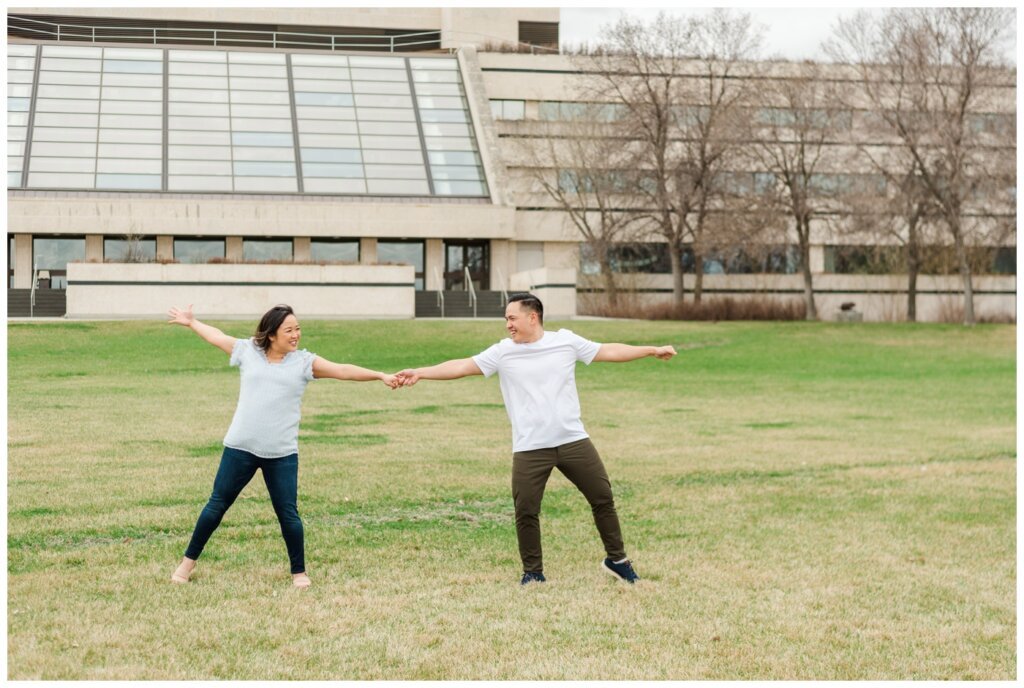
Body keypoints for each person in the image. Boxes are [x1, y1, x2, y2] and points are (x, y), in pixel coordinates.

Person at [396, 293, 676, 585]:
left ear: (533, 317)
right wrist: (420, 372)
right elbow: (461, 366)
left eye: (512, 318)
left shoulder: (565, 341)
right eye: (506, 319)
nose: (508, 325)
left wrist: (651, 350)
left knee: (603, 498)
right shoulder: (502, 352)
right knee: (526, 509)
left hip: (573, 440)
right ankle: (533, 573)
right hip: (530, 447)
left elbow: (608, 351)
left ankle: (617, 561)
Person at [167, 304, 399, 588]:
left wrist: (380, 375)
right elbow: (217, 336)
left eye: (298, 328)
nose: (296, 335)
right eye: (289, 330)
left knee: (288, 513)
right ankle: (185, 566)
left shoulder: (303, 363)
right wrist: (192, 323)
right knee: (217, 505)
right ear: (272, 334)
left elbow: (342, 369)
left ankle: (299, 573)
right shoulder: (248, 351)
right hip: (240, 446)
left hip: (282, 453)